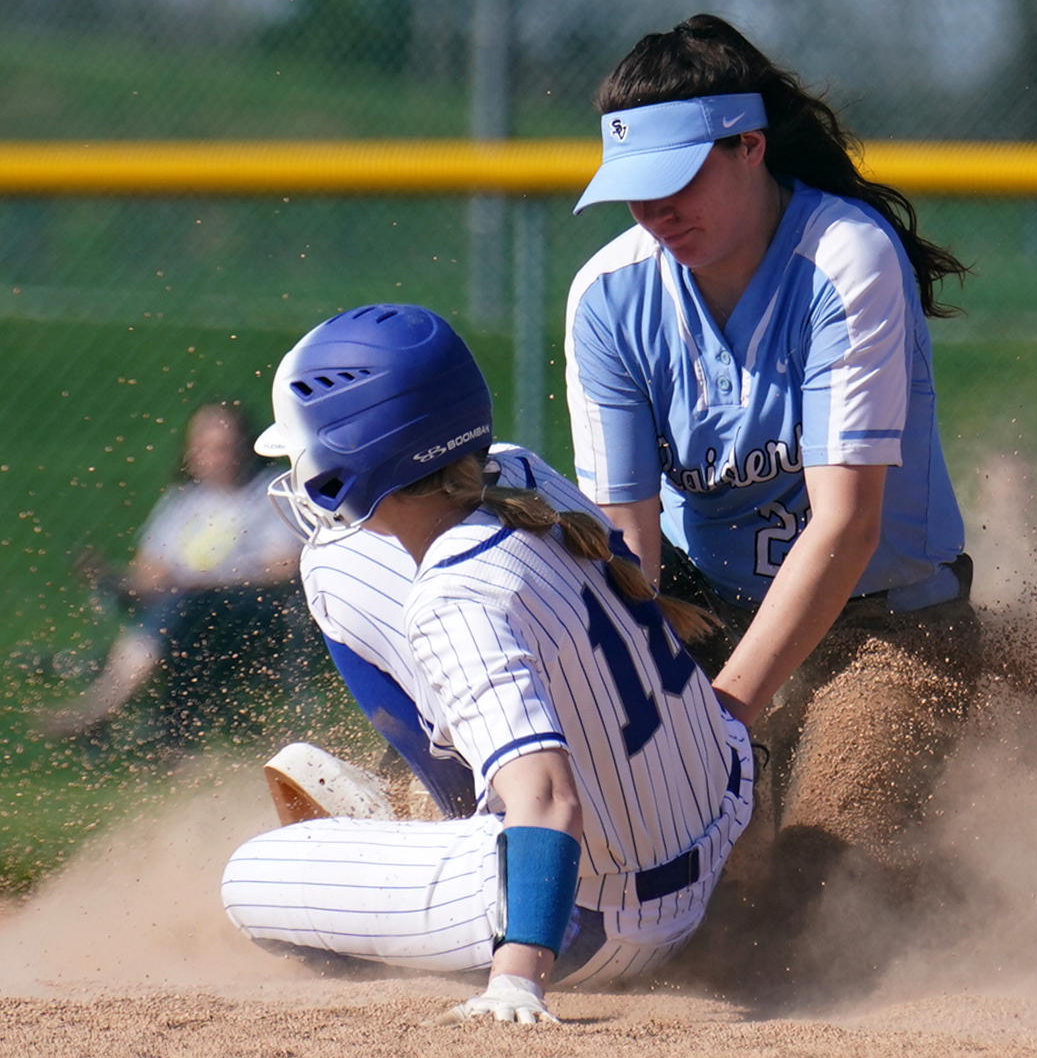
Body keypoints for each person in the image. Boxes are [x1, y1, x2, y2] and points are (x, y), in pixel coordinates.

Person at [221, 304, 752, 1024]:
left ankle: (441, 838)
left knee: (250, 878)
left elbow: (549, 799)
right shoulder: (529, 479)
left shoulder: (451, 597)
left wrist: (517, 977)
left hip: (610, 925)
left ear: (350, 461)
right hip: (726, 811)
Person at [564, 15, 978, 861]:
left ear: (749, 146)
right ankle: (426, 811)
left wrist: (717, 720)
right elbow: (628, 549)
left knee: (809, 892)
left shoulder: (843, 258)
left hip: (885, 630)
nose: (652, 210)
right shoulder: (608, 295)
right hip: (706, 614)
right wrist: (633, 716)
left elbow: (847, 526)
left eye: (676, 177)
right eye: (632, 186)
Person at [40, 403, 301, 753]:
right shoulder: (183, 502)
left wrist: (208, 580)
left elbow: (286, 565)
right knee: (174, 606)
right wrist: (116, 578)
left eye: (222, 447)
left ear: (244, 447)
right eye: (202, 447)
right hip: (180, 614)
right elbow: (152, 569)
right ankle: (137, 723)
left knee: (183, 604)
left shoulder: (268, 493)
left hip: (247, 616)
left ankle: (102, 707)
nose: (211, 457)